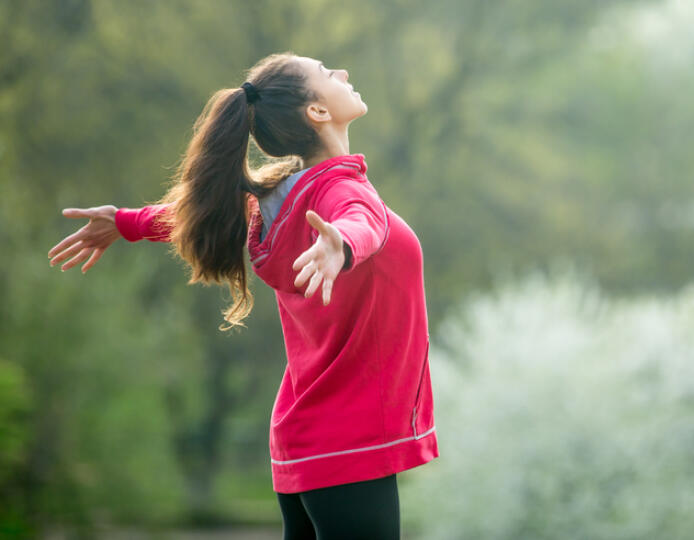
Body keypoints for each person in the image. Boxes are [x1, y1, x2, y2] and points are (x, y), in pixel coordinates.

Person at [46, 51, 439, 540]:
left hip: (309, 440)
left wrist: (126, 222)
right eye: (325, 72)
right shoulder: (339, 190)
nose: (342, 73)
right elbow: (362, 220)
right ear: (316, 112)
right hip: (347, 443)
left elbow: (203, 213)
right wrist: (342, 243)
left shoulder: (281, 197)